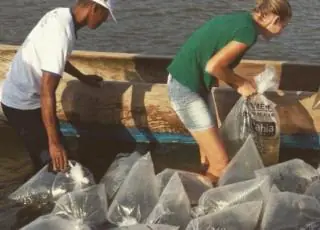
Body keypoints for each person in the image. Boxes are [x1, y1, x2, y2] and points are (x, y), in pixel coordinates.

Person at [166, 0, 292, 182]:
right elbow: (213, 66)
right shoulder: (248, 32)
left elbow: (213, 62)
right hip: (185, 89)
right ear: (275, 20)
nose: (283, 32)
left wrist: (239, 84)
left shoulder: (241, 20)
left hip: (194, 86)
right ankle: (199, 203)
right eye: (284, 26)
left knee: (209, 156)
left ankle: (204, 180)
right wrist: (240, 83)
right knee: (221, 163)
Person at [1, 0, 117, 173]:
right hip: (21, 103)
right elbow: (47, 91)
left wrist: (81, 76)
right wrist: (54, 143)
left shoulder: (61, 15)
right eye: (105, 14)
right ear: (94, 8)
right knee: (53, 164)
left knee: (58, 161)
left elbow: (55, 57)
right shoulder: (61, 34)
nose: (104, 20)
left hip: (23, 95)